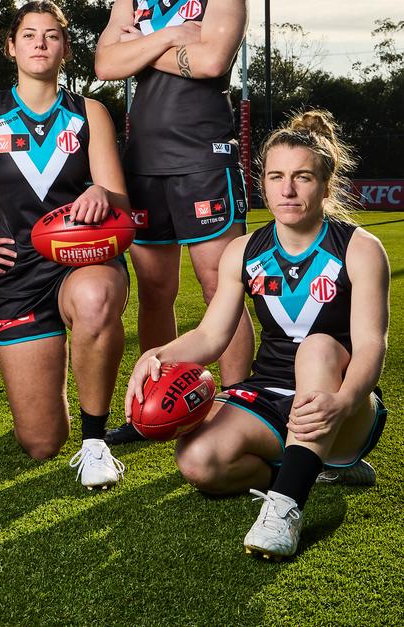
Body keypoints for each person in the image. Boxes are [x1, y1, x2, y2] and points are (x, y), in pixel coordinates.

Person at [125, 110, 389, 560]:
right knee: (198, 462)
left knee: (318, 347)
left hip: (343, 404)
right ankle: (310, 467)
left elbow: (370, 345)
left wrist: (343, 403)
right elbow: (211, 335)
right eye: (276, 177)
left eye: (302, 177)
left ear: (325, 184)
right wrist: (159, 353)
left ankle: (285, 507)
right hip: (267, 395)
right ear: (261, 184)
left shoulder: (360, 248)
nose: (287, 190)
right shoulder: (244, 251)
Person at [0, 0, 130, 490]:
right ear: (11, 47)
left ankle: (96, 442)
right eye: (30, 35)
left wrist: (101, 192)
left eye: (52, 35)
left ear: (66, 49)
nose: (40, 43)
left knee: (95, 301)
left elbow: (119, 202)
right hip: (18, 275)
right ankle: (52, 419)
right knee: (40, 443)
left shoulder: (89, 113)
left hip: (84, 259)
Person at [95, 0, 255, 445]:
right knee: (155, 289)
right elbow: (104, 64)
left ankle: (239, 407)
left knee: (222, 286)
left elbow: (211, 61)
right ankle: (154, 408)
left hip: (204, 161)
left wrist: (140, 48)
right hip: (143, 165)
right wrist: (168, 38)